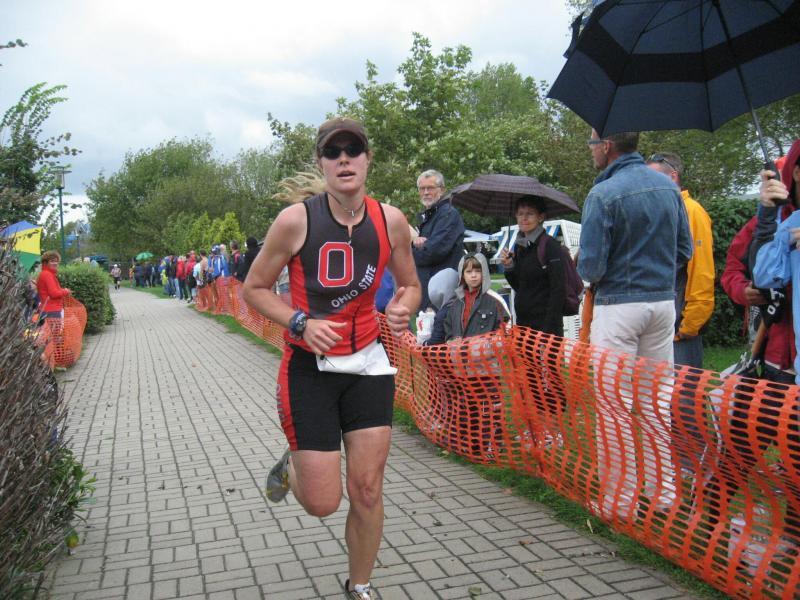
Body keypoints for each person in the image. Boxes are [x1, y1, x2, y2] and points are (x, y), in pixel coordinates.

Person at [242, 117, 420, 600]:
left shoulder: (391, 220)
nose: (344, 159)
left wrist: (403, 307)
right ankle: (293, 469)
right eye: (333, 152)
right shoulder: (295, 221)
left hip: (368, 366)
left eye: (353, 150)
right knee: (323, 503)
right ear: (321, 163)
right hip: (310, 370)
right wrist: (300, 322)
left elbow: (410, 284)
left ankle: (359, 585)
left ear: (367, 159)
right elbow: (253, 289)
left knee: (367, 489)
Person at [578, 130, 692, 519]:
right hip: (661, 303)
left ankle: (620, 501)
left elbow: (591, 267)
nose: (591, 150)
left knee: (614, 404)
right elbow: (684, 250)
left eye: (592, 143)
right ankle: (664, 494)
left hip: (617, 306)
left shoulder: (602, 194)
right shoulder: (668, 188)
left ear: (607, 145)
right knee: (656, 401)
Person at [646, 152, 715, 368]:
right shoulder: (660, 212)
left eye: (652, 178)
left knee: (683, 389)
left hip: (680, 325)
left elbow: (702, 271)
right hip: (659, 323)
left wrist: (690, 323)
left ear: (673, 176)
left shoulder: (692, 211)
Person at [499, 195, 567, 336]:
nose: (524, 218)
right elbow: (520, 287)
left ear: (541, 217)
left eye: (530, 214)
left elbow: (558, 290)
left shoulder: (550, 245)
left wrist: (547, 331)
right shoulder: (520, 247)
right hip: (524, 325)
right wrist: (509, 266)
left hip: (547, 328)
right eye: (520, 214)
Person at [412, 169, 465, 311]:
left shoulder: (448, 214)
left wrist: (410, 250)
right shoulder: (428, 217)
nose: (425, 192)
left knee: (439, 326)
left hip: (442, 296)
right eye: (422, 188)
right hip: (428, 293)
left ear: (441, 190)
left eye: (430, 188)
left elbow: (431, 252)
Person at [36, 250, 72, 324]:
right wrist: (66, 291)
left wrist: (62, 290)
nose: (55, 263)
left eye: (56, 261)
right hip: (52, 311)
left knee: (46, 331)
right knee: (55, 331)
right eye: (52, 261)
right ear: (45, 263)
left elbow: (52, 290)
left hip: (46, 309)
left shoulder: (44, 274)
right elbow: (54, 293)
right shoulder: (47, 275)